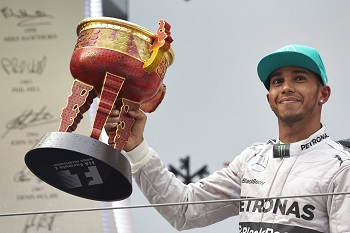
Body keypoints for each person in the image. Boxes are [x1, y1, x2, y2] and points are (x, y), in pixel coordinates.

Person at [105, 44, 350, 233]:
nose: (286, 87)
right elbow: (185, 209)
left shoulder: (341, 168)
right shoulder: (252, 160)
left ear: (323, 94)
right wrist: (137, 147)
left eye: (299, 78)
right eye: (277, 81)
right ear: (269, 98)